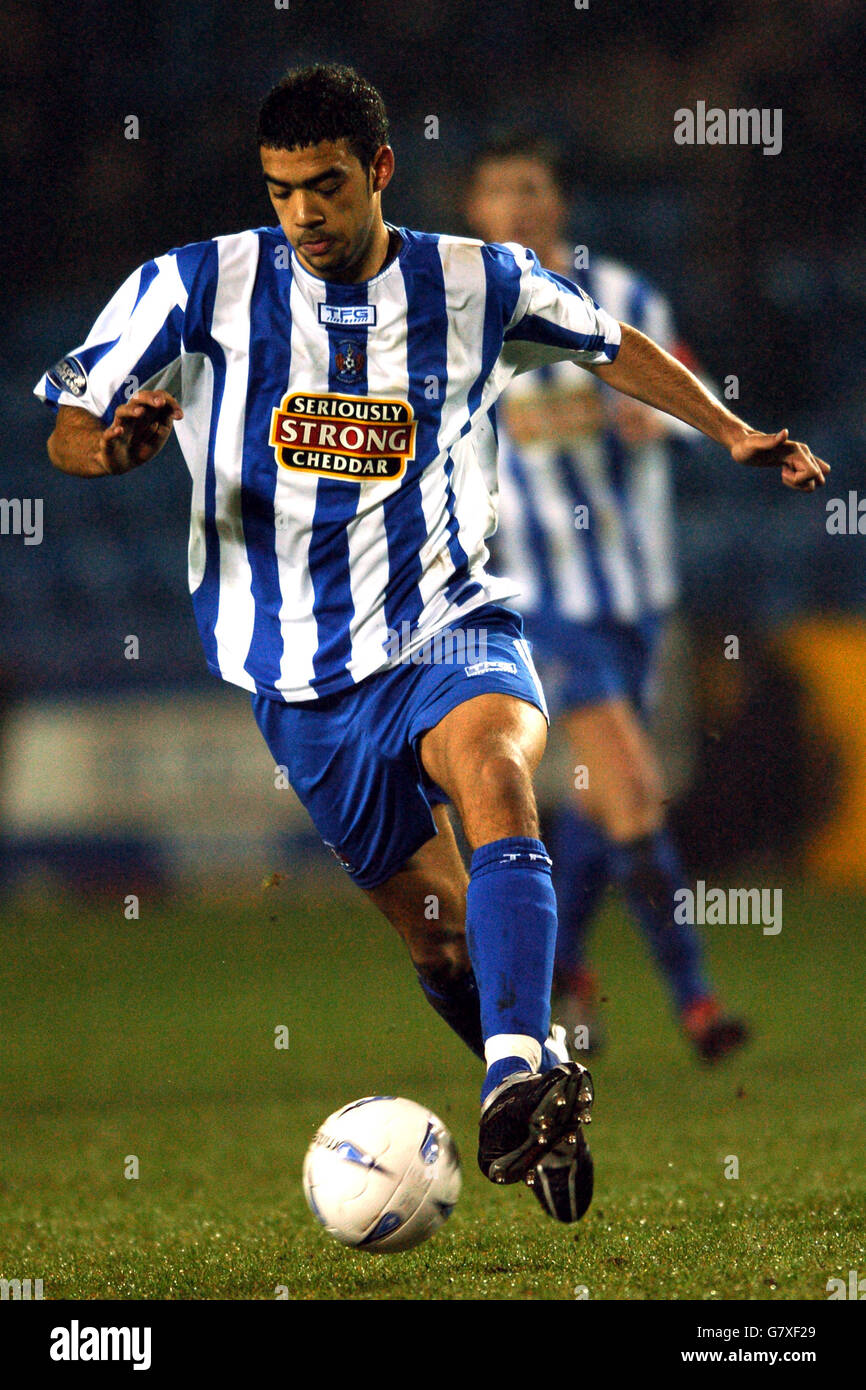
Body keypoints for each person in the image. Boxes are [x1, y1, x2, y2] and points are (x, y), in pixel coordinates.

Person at [34, 64, 828, 1225]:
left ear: (379, 172)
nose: (301, 214)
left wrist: (729, 430)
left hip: (446, 619)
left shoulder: (475, 280)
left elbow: (607, 342)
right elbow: (66, 423)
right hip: (296, 677)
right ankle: (541, 1075)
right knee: (438, 939)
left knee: (499, 779)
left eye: (325, 187)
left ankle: (513, 1068)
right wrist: (110, 450)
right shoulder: (192, 283)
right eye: (279, 191)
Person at [464, 132, 749, 1063]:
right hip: (541, 600)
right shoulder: (462, 313)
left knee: (601, 805)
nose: (518, 205)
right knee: (632, 788)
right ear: (475, 211)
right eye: (499, 190)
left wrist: (660, 422)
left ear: (559, 205)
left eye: (533, 186)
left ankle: (566, 966)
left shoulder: (622, 299)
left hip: (637, 598)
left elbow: (697, 406)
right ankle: (698, 1002)